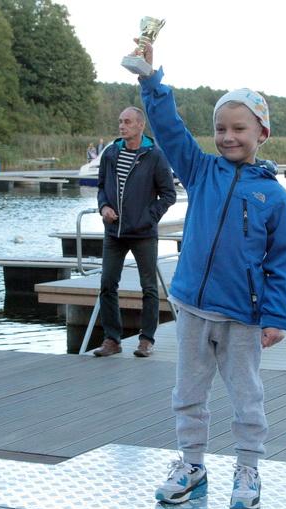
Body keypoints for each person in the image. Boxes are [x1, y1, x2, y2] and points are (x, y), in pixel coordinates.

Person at [136, 43, 286, 509]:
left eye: (238, 128)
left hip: (243, 316)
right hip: (192, 307)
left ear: (262, 133)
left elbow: (283, 261)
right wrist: (150, 81)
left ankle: (248, 468)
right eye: (220, 129)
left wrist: (276, 316)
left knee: (247, 396)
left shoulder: (274, 196)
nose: (228, 137)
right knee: (188, 392)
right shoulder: (200, 170)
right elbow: (169, 129)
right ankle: (191, 465)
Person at [94, 106, 176, 358]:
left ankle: (146, 340)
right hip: (114, 232)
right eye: (120, 121)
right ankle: (112, 340)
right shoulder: (110, 153)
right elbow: (101, 187)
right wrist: (104, 207)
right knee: (107, 284)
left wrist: (148, 217)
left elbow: (169, 194)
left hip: (143, 233)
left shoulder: (154, 156)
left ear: (141, 125)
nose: (122, 126)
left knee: (149, 287)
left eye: (128, 121)